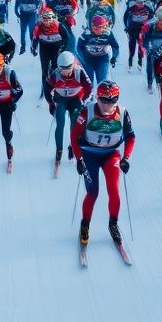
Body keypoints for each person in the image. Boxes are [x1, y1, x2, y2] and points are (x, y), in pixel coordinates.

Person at [71, 80, 135, 249]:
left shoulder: (123, 113)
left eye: (112, 100)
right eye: (103, 100)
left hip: (111, 155)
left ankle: (113, 224)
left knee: (114, 193)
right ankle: (85, 225)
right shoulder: (87, 111)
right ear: (97, 98)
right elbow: (74, 135)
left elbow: (131, 137)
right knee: (93, 193)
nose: (107, 105)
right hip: (89, 155)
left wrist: (126, 158)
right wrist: (79, 158)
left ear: (117, 99)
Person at [45, 50, 92, 167]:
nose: (65, 74)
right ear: (59, 68)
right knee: (60, 123)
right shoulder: (55, 73)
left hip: (75, 100)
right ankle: (59, 150)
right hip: (61, 100)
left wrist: (84, 100)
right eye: (62, 70)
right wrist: (50, 102)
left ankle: (72, 146)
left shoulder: (79, 72)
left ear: (73, 65)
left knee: (74, 124)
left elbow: (89, 88)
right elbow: (46, 89)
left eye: (68, 70)